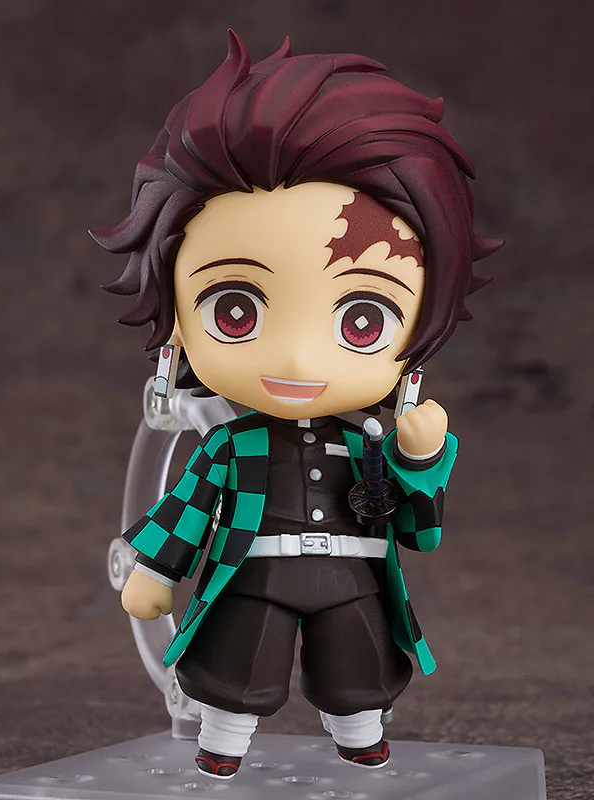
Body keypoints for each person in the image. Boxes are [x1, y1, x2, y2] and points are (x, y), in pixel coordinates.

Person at [90, 30, 502, 780]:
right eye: (236, 310)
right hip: (251, 573)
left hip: (354, 579)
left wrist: (420, 457)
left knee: (359, 665)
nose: (297, 360)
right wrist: (154, 567)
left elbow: (420, 532)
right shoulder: (230, 442)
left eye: (362, 320)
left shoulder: (371, 442)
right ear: (178, 320)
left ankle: (361, 732)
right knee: (236, 663)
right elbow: (188, 504)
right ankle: (222, 740)